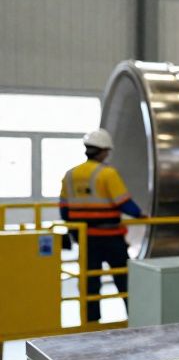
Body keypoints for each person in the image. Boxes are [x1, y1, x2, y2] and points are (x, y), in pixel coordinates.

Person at [59, 128, 143, 322]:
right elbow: (123, 202)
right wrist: (140, 214)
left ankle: (90, 321)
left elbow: (64, 208)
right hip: (110, 237)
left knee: (90, 280)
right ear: (104, 151)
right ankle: (135, 317)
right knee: (122, 278)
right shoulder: (107, 174)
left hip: (85, 238)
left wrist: (73, 229)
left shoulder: (70, 175)